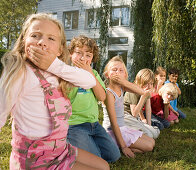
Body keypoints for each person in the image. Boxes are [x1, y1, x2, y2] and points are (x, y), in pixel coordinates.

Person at [0, 13, 109, 170]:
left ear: (60, 49)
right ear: (24, 41)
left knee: (104, 166)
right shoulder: (20, 72)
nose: (42, 42)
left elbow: (89, 81)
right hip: (35, 159)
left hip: (60, 149)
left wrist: (52, 65)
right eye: (35, 35)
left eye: (51, 38)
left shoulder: (59, 71)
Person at [67, 35, 120, 163]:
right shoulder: (66, 73)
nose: (83, 58)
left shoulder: (94, 74)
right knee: (96, 159)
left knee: (114, 156)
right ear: (70, 54)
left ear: (92, 58)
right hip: (75, 125)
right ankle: (68, 146)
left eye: (88, 55)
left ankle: (84, 145)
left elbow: (102, 97)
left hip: (94, 124)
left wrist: (90, 73)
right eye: (78, 53)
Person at [102, 56, 155, 158]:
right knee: (149, 147)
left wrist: (124, 82)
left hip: (123, 128)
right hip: (113, 131)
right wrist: (124, 147)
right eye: (114, 70)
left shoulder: (122, 87)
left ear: (125, 75)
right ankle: (120, 146)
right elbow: (113, 124)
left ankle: (124, 146)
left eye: (121, 70)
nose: (117, 72)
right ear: (107, 75)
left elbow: (143, 93)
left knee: (152, 141)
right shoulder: (109, 93)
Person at [123, 68, 160, 139]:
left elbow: (148, 109)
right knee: (151, 135)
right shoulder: (132, 91)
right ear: (139, 82)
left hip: (135, 119)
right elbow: (134, 114)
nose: (149, 87)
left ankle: (146, 131)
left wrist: (149, 125)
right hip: (126, 117)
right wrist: (143, 97)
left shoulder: (146, 91)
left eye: (151, 84)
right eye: (146, 83)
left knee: (153, 132)